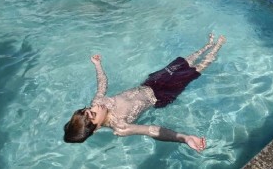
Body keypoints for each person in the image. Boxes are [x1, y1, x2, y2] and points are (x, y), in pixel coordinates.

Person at [63, 34, 227, 151]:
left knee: (182, 63)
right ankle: (217, 47)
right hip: (161, 95)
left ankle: (206, 46)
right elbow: (152, 130)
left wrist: (97, 65)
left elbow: (102, 84)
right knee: (195, 70)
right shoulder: (121, 126)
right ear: (97, 128)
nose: (95, 107)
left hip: (150, 83)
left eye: (88, 108)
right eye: (93, 114)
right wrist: (184, 138)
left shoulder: (98, 102)